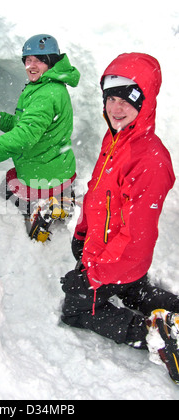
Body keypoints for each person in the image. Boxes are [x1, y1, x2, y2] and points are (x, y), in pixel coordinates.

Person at [60, 52, 179, 384]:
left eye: (127, 100)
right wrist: (82, 233)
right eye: (111, 98)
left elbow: (136, 237)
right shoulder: (115, 138)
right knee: (133, 290)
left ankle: (155, 334)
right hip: (104, 250)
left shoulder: (150, 160)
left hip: (117, 258)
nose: (116, 107)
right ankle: (163, 306)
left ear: (145, 102)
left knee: (77, 309)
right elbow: (99, 193)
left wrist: (93, 275)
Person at [0, 34, 80, 242]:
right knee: (15, 179)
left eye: (39, 60)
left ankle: (39, 215)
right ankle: (60, 200)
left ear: (51, 62)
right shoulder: (48, 87)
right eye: (28, 60)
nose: (31, 65)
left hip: (42, 174)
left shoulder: (46, 95)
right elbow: (27, 125)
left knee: (5, 193)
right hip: (57, 166)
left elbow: (23, 137)